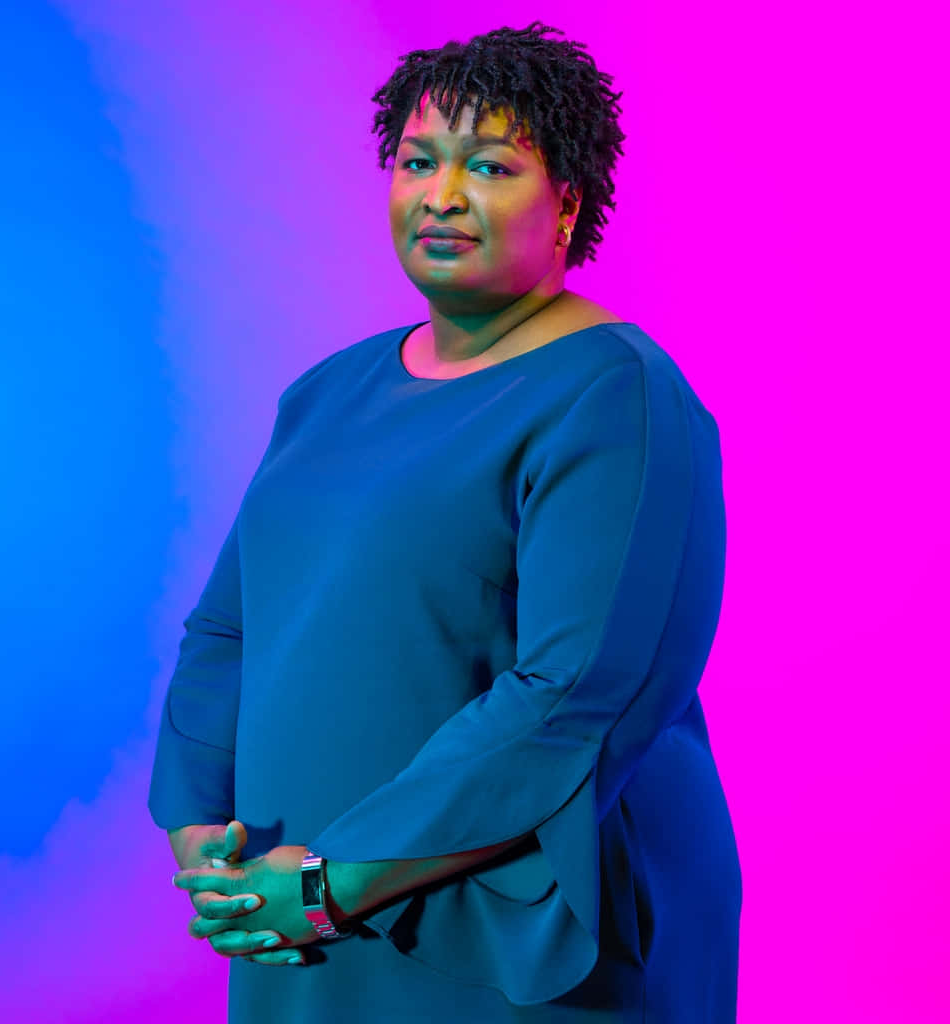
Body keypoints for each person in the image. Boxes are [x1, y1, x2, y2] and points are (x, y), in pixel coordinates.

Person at [151, 20, 742, 1023]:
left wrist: (340, 881)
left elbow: (575, 695)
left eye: (492, 166)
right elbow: (232, 626)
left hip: (514, 931)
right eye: (419, 160)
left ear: (566, 205)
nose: (444, 194)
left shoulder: (616, 398)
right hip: (294, 914)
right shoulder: (329, 392)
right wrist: (199, 821)